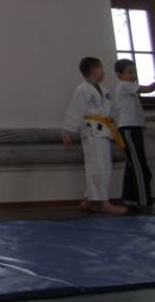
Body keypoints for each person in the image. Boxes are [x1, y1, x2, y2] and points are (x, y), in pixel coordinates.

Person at [62, 56, 127, 214]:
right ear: (92, 71)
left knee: (102, 166)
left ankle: (88, 201)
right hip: (91, 133)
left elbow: (106, 113)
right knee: (98, 167)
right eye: (101, 68)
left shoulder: (104, 90)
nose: (104, 71)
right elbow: (75, 111)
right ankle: (104, 203)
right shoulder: (82, 90)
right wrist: (67, 131)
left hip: (103, 131)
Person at [113, 58, 155, 213]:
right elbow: (148, 89)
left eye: (134, 72)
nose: (133, 76)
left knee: (133, 165)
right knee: (139, 167)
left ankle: (129, 199)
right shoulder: (124, 86)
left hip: (133, 128)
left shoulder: (130, 93)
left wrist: (150, 118)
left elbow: (138, 116)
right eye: (129, 73)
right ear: (119, 75)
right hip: (129, 130)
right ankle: (144, 202)